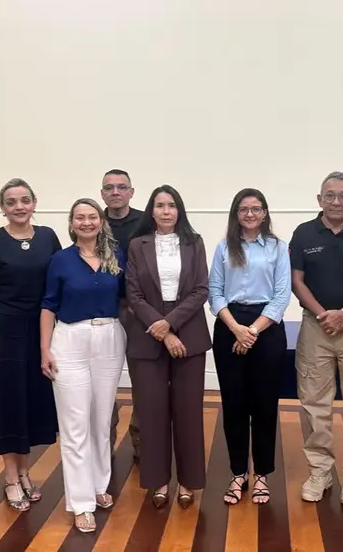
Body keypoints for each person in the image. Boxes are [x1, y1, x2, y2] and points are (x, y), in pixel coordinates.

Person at [0, 178, 61, 511]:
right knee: (8, 406)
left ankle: (24, 472)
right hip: (5, 332)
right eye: (11, 202)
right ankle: (10, 478)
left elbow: (58, 282)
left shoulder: (48, 237)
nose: (19, 207)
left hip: (39, 329)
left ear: (34, 203)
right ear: (2, 207)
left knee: (28, 404)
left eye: (24, 200)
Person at [288, 172, 343, 505]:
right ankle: (320, 470)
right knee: (314, 403)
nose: (336, 201)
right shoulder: (304, 232)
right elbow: (296, 280)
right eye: (329, 195)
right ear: (319, 199)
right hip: (316, 327)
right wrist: (323, 314)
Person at [40, 198, 127, 533]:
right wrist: (45, 349)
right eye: (80, 218)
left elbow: (127, 297)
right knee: (75, 424)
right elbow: (48, 305)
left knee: (101, 420)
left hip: (109, 338)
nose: (87, 222)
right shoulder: (60, 260)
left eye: (92, 217)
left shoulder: (116, 255)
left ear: (101, 221)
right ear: (72, 223)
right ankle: (81, 502)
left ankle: (99, 485)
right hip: (69, 341)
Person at [125, 185, 211, 509]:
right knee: (152, 413)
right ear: (151, 210)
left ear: (179, 210)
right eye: (159, 205)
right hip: (147, 334)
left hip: (189, 332)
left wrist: (170, 324)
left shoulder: (194, 242)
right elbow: (133, 295)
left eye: (171, 205)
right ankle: (158, 480)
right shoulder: (137, 245)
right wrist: (163, 331)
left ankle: (188, 482)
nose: (165, 211)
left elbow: (201, 289)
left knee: (188, 413)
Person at [208, 188, 291, 505]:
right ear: (236, 213)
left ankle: (262, 475)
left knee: (265, 406)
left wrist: (252, 331)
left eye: (256, 209)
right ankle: (238, 473)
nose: (250, 214)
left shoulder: (277, 248)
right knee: (234, 405)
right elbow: (215, 293)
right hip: (230, 325)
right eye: (244, 209)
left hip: (266, 329)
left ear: (265, 213)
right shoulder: (223, 247)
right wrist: (236, 329)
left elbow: (281, 295)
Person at [100, 168, 144, 459]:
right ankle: (105, 440)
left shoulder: (145, 222)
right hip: (103, 309)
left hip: (139, 309)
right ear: (102, 193)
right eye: (109, 188)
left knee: (142, 377)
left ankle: (141, 440)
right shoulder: (93, 221)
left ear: (131, 192)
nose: (115, 192)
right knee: (104, 379)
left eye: (121, 187)